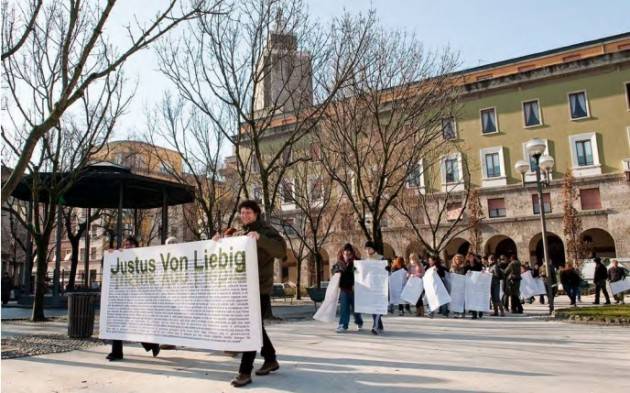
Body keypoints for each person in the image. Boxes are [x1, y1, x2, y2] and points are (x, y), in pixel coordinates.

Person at [213, 200, 286, 388]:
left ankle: (244, 372)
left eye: (248, 213)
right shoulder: (240, 232)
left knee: (250, 328)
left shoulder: (266, 230)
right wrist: (218, 242)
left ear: (256, 213)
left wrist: (261, 238)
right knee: (256, 327)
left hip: (260, 288)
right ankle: (270, 359)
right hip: (242, 288)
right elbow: (228, 251)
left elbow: (280, 250)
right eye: (242, 213)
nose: (245, 216)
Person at [107, 236, 161, 361]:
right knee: (117, 324)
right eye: (126, 244)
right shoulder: (119, 256)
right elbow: (107, 265)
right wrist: (110, 255)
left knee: (134, 326)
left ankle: (151, 344)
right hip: (122, 298)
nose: (127, 246)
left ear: (136, 246)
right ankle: (116, 352)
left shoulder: (141, 259)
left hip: (136, 298)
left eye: (130, 244)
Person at [332, 243, 363, 332]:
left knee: (356, 309)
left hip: (354, 289)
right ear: (343, 253)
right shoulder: (339, 263)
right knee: (344, 308)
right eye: (345, 253)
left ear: (352, 253)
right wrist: (337, 271)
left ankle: (359, 321)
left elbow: (363, 270)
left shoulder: (356, 262)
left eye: (349, 254)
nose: (347, 255)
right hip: (344, 289)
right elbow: (333, 270)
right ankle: (343, 325)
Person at [365, 241, 385, 335]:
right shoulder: (366, 260)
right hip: (370, 287)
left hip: (379, 287)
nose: (367, 250)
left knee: (377, 307)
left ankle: (375, 326)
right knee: (373, 308)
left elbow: (385, 270)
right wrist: (356, 270)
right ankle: (379, 325)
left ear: (373, 249)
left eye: (369, 248)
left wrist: (387, 269)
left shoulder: (380, 258)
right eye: (366, 249)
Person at [466, 253, 484, 319]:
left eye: (472, 256)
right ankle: (474, 314)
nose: (471, 258)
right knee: (472, 299)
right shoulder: (467, 265)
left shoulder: (478, 264)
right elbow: (464, 273)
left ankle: (480, 310)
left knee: (478, 298)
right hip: (471, 284)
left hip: (478, 283)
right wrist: (467, 272)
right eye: (469, 257)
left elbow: (482, 271)